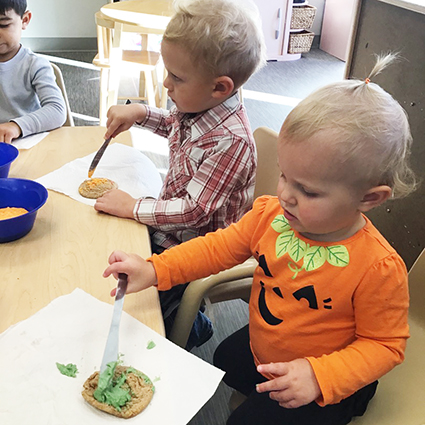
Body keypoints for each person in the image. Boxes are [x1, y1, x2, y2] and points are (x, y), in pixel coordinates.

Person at [103, 53, 417, 424]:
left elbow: (385, 345)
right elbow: (217, 248)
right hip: (268, 347)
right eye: (285, 176)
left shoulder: (378, 267)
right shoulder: (271, 214)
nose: (286, 194)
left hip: (330, 381)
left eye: (309, 191)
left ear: (369, 198)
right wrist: (155, 268)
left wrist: (320, 377)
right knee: (224, 361)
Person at [95, 0, 266, 349]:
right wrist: (141, 113)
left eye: (176, 77)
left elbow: (192, 211)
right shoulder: (200, 103)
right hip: (171, 223)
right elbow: (176, 125)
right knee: (103, 248)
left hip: (197, 246)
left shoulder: (231, 141)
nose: (166, 83)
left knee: (137, 316)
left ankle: (189, 324)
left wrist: (133, 207)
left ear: (220, 87)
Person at [0, 0, 66, 143]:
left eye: (3, 25)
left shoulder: (34, 65)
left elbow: (57, 110)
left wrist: (16, 126)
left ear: (24, 20)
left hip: (28, 139)